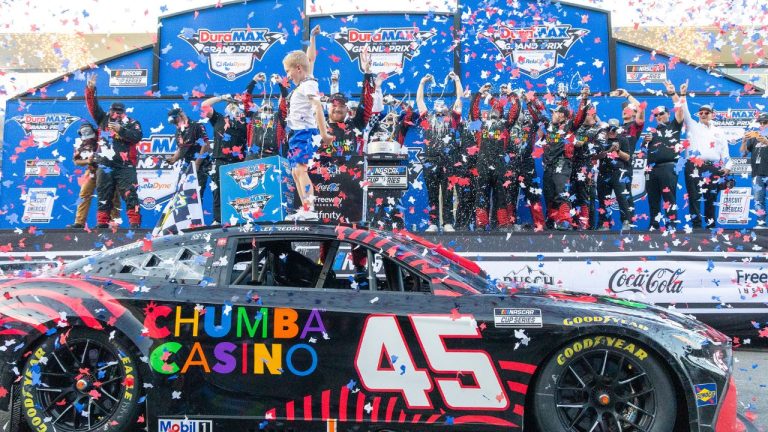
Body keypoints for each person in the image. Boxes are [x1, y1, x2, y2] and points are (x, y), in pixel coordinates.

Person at [527, 85, 590, 230]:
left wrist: (584, 99)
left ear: (561, 115)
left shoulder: (569, 126)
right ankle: (553, 219)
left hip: (562, 163)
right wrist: (529, 103)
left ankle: (564, 220)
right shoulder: (549, 126)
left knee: (561, 192)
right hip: (548, 165)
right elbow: (537, 116)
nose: (552, 114)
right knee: (550, 194)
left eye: (555, 113)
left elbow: (580, 117)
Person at [84, 74, 143, 229]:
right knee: (104, 195)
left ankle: (134, 223)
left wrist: (121, 130)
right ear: (110, 111)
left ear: (124, 113)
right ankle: (102, 223)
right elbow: (93, 106)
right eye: (113, 111)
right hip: (104, 165)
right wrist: (90, 89)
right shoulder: (103, 119)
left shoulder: (132, 123)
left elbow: (137, 137)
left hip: (125, 166)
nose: (115, 114)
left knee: (131, 193)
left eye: (119, 112)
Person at [282, 49, 333, 220]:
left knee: (301, 170)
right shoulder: (304, 83)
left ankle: (309, 209)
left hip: (305, 132)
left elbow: (317, 107)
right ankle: (305, 208)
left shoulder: (309, 84)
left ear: (298, 68)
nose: (287, 76)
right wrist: (312, 38)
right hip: (296, 133)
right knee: (296, 172)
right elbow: (310, 57)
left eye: (288, 71)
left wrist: (324, 133)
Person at [416, 72, 463, 232]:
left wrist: (457, 80)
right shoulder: (426, 118)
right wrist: (422, 83)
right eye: (437, 104)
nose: (440, 105)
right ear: (433, 107)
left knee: (448, 192)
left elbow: (459, 100)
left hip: (448, 160)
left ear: (446, 108)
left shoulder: (453, 119)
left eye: (443, 104)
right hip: (430, 160)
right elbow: (419, 101)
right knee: (432, 193)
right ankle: (433, 223)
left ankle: (447, 222)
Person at [679, 86, 732, 229]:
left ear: (712, 115)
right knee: (694, 196)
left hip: (712, 167)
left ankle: (710, 224)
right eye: (701, 113)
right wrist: (683, 94)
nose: (703, 114)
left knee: (711, 196)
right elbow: (684, 111)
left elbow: (724, 151)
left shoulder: (719, 132)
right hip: (694, 165)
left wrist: (727, 166)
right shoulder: (692, 126)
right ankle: (696, 225)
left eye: (706, 112)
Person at [469, 83, 515, 230]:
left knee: (501, 194)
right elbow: (474, 112)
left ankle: (502, 223)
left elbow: (515, 111)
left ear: (501, 113)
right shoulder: (480, 125)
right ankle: (481, 224)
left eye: (497, 108)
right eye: (491, 109)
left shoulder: (505, 125)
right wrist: (479, 93)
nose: (493, 111)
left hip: (499, 165)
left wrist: (511, 94)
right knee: (481, 194)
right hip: (483, 164)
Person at [200, 89, 248, 224]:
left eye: (235, 105)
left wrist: (241, 104)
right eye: (230, 105)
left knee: (238, 192)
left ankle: (238, 220)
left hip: (238, 163)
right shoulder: (218, 118)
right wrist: (221, 97)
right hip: (219, 160)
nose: (232, 107)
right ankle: (217, 220)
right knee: (218, 193)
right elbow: (204, 105)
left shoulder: (245, 122)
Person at [643, 80, 685, 230]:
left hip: (668, 167)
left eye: (661, 113)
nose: (659, 116)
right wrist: (644, 142)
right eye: (656, 115)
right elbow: (644, 151)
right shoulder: (652, 132)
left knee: (669, 197)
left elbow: (680, 110)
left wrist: (673, 93)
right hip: (651, 169)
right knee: (653, 199)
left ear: (668, 114)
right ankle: (654, 225)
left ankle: (671, 224)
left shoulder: (675, 125)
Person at [68, 122, 121, 229]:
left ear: (95, 132)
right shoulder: (79, 143)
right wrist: (88, 160)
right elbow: (76, 161)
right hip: (92, 170)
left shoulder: (104, 137)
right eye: (86, 138)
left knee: (113, 196)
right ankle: (79, 222)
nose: (88, 140)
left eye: (90, 137)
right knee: (84, 194)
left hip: (107, 170)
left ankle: (114, 223)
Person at [165, 107, 212, 199]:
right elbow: (182, 149)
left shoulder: (197, 126)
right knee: (184, 196)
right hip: (188, 165)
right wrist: (173, 158)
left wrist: (197, 164)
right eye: (173, 122)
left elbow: (206, 145)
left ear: (181, 115)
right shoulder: (178, 131)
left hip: (201, 165)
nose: (175, 124)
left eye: (175, 120)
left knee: (196, 196)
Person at [595, 119, 633, 230]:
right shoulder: (601, 140)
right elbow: (594, 156)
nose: (611, 131)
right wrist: (605, 152)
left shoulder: (623, 139)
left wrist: (617, 151)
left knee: (622, 198)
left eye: (614, 128)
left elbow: (627, 157)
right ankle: (605, 224)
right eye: (609, 128)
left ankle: (626, 222)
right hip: (603, 173)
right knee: (603, 199)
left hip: (618, 173)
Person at [570, 104, 601, 230]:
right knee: (572, 195)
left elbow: (580, 143)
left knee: (586, 197)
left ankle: (587, 226)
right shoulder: (578, 127)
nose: (583, 116)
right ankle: (574, 224)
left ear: (593, 113)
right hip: (573, 166)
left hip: (587, 166)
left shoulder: (598, 129)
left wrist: (575, 141)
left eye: (586, 114)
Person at [245, 73, 288, 159]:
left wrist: (281, 83)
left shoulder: (278, 118)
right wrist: (254, 81)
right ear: (260, 109)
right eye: (265, 109)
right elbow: (246, 99)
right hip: (253, 156)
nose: (267, 111)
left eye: (270, 109)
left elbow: (285, 101)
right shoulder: (253, 115)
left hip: (272, 156)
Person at [741, 112, 768, 229]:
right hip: (757, 174)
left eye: (765, 123)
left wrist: (766, 141)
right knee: (758, 201)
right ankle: (761, 224)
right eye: (760, 123)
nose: (762, 125)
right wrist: (743, 141)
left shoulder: (761, 137)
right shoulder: (754, 138)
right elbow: (743, 153)